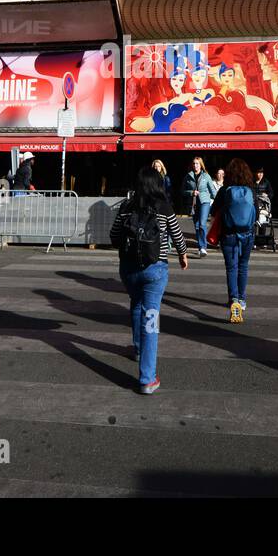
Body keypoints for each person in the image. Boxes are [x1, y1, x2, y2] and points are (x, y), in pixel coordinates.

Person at [110, 165, 189, 394]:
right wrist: (183, 255)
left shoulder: (126, 206)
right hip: (155, 269)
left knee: (136, 303)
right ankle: (147, 378)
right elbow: (177, 235)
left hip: (129, 269)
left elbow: (114, 237)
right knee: (151, 317)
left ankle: (137, 348)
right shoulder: (164, 208)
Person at [210, 158, 258, 323]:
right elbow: (257, 213)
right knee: (243, 267)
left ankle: (234, 300)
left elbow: (212, 210)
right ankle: (242, 300)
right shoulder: (250, 190)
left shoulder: (225, 190)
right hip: (247, 233)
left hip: (228, 234)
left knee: (231, 268)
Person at [184, 157, 217, 256]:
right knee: (197, 226)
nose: (195, 165)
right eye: (194, 163)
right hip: (194, 203)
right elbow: (182, 191)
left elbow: (213, 191)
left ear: (201, 165)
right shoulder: (188, 176)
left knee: (202, 223)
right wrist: (191, 192)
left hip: (204, 202)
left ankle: (203, 247)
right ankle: (200, 246)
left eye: (197, 163)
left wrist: (218, 201)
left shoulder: (206, 176)